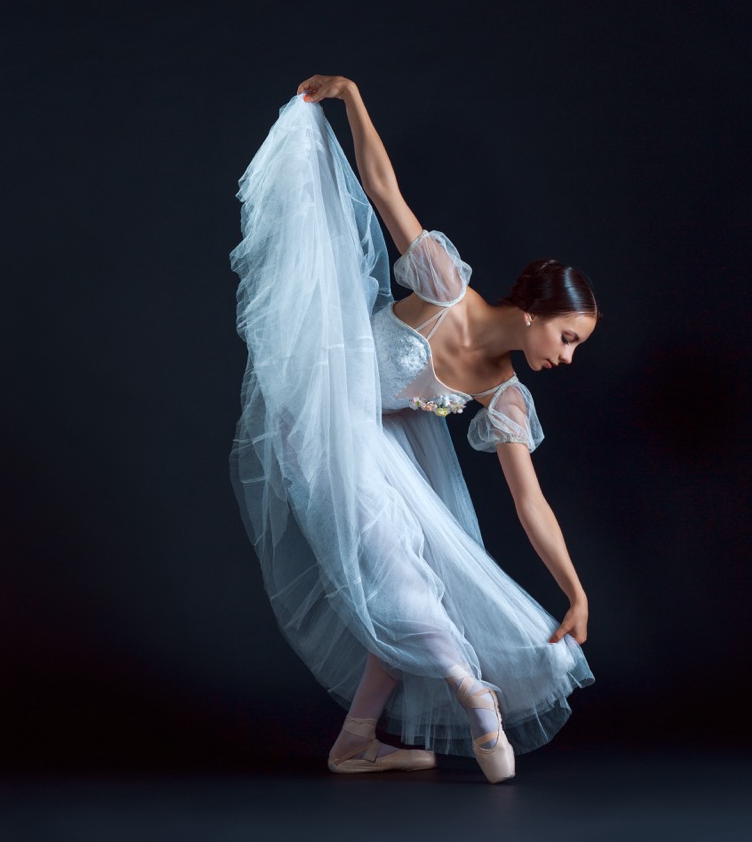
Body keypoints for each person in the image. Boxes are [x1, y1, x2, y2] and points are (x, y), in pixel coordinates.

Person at [230, 75, 598, 783]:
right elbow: (380, 187)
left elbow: (531, 504)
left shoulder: (504, 391)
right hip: (318, 414)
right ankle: (471, 690)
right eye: (568, 335)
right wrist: (349, 95)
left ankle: (356, 741)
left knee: (417, 569)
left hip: (378, 445)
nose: (568, 355)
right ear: (532, 313)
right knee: (397, 569)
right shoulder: (443, 289)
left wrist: (575, 590)